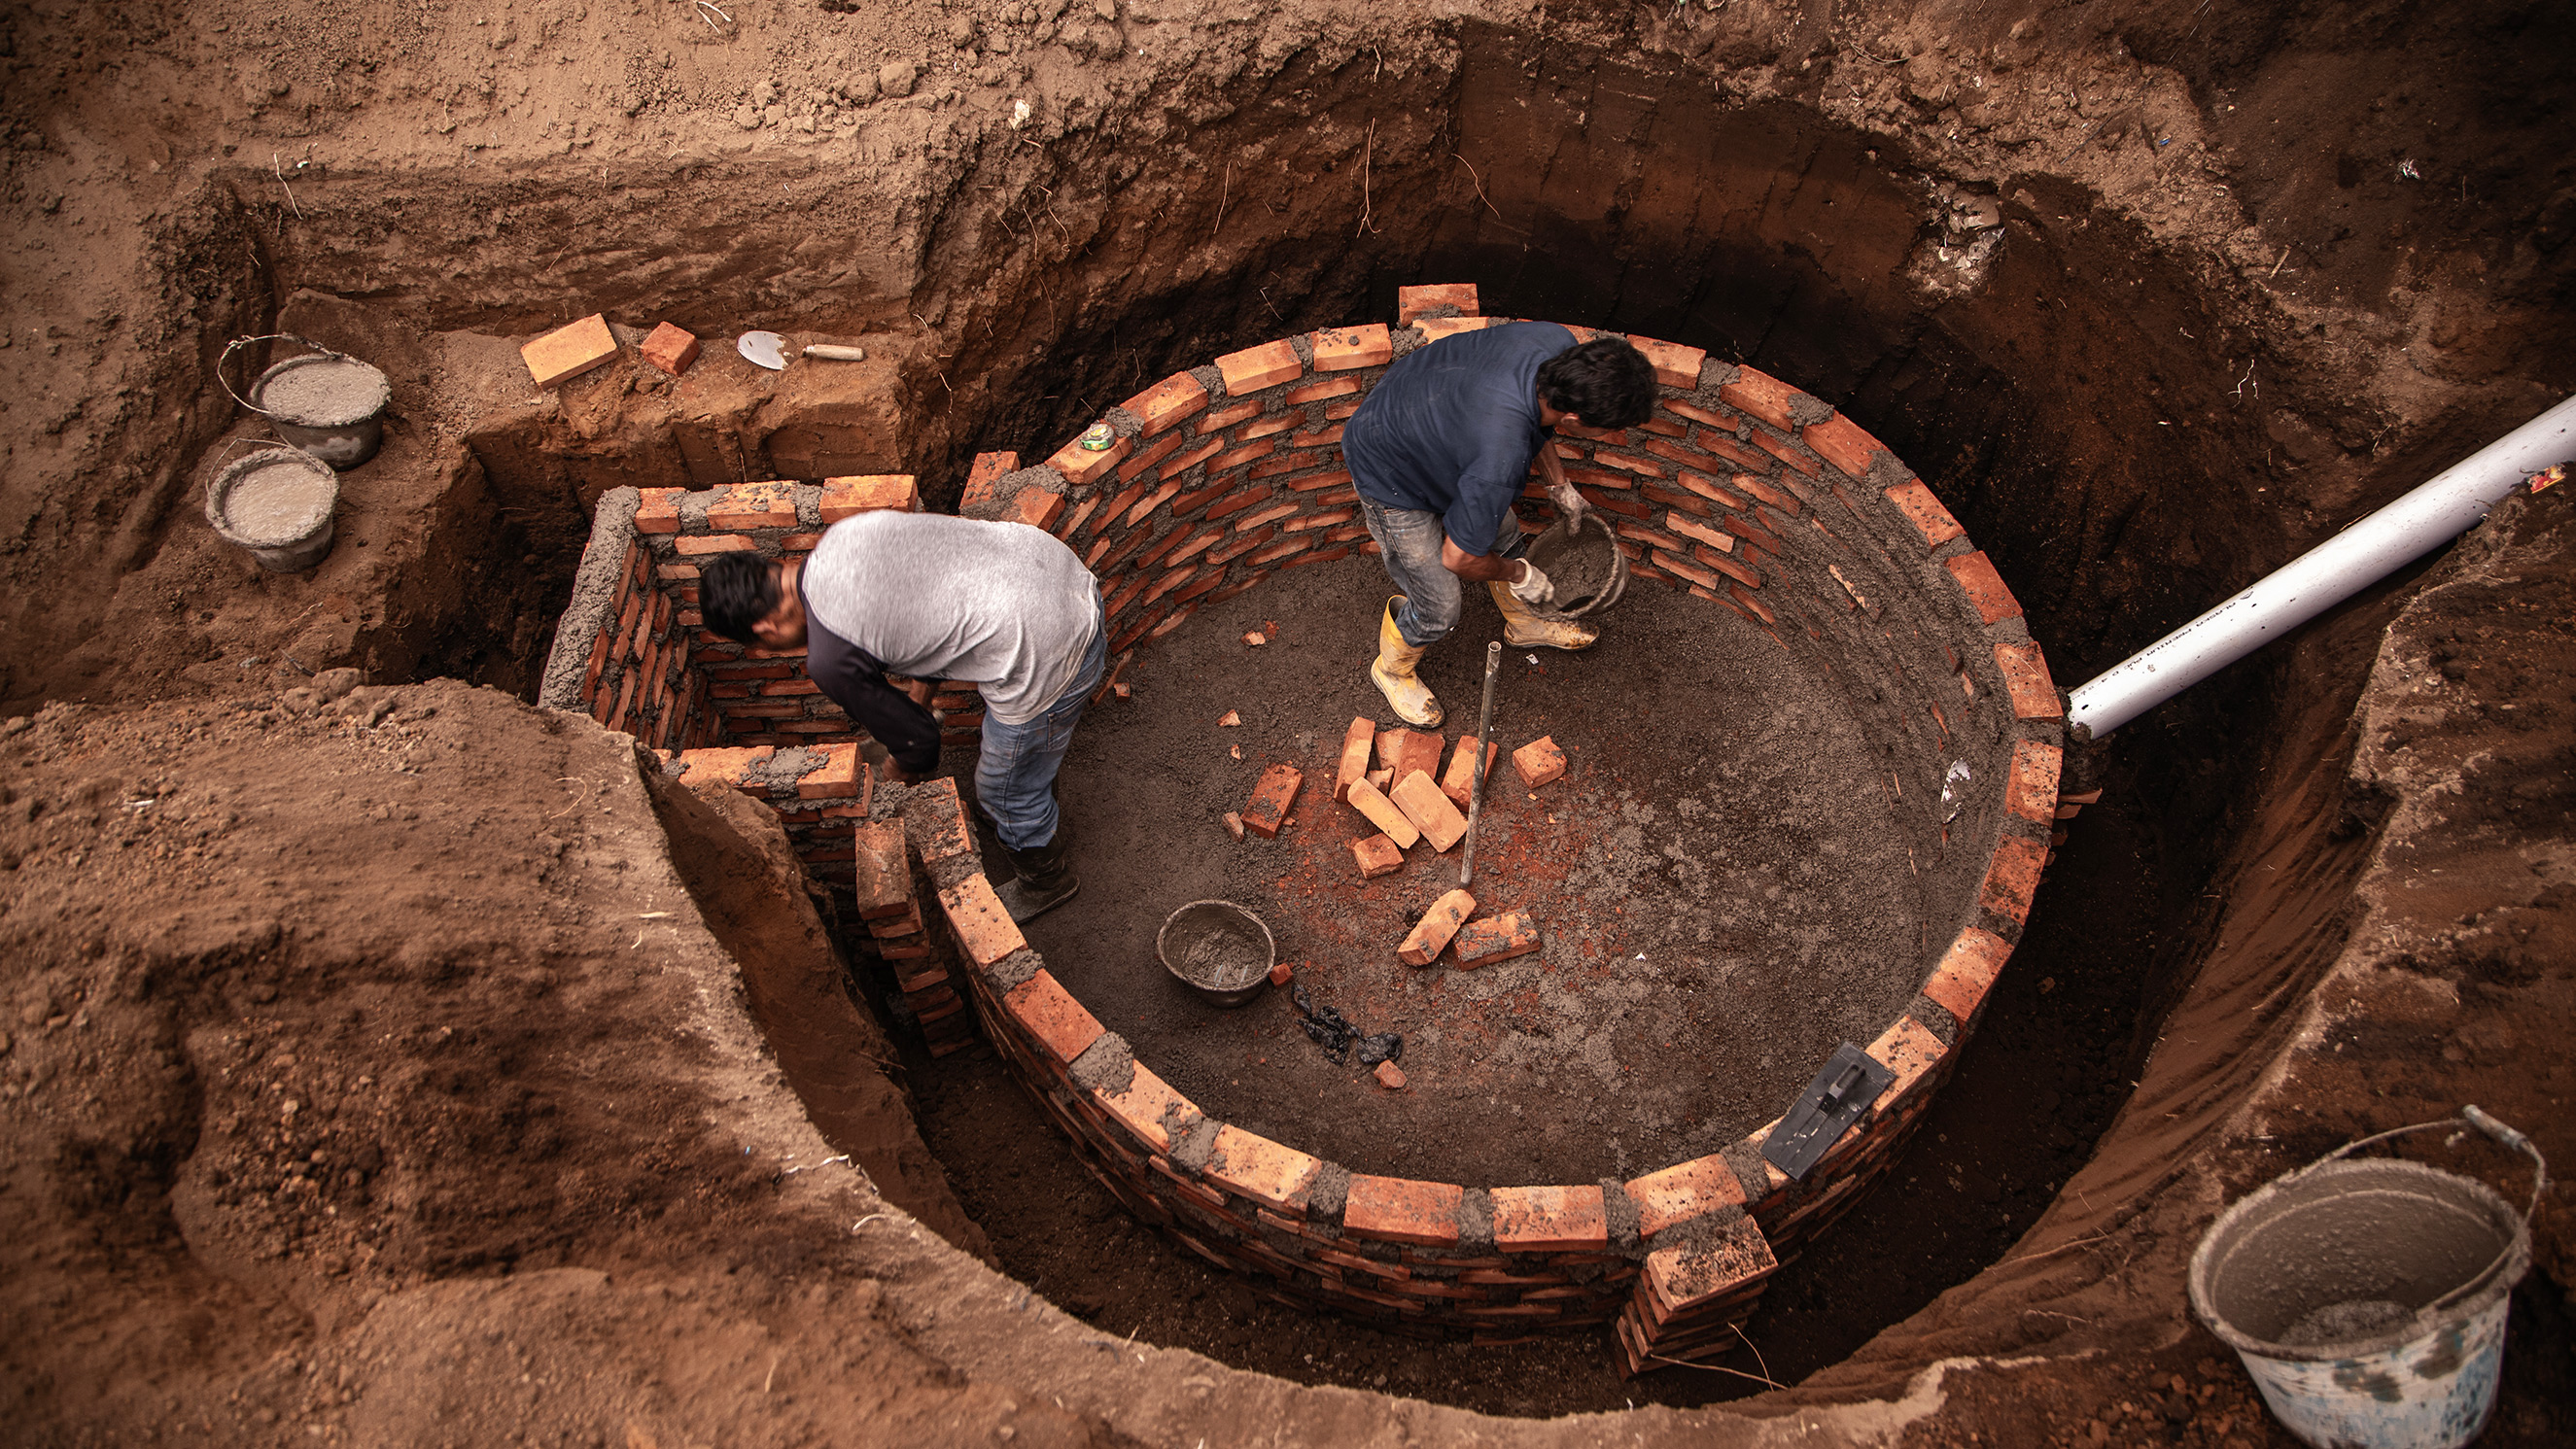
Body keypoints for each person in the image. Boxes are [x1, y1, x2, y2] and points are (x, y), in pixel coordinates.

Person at [699, 511, 1105, 922]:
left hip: (1055, 643)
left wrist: (890, 782)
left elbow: (921, 746)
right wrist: (917, 706)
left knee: (1001, 789)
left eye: (768, 647)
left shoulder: (830, 658)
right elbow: (928, 623)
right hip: (1059, 572)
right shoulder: (845, 537)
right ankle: (1027, 803)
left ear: (766, 628)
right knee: (1019, 761)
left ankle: (1046, 880)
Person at [1340, 324, 1657, 726]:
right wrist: (1520, 573)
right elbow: (1459, 557)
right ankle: (1391, 670)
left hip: (1439, 425)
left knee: (1503, 535)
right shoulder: (1498, 456)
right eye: (1609, 428)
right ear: (1574, 417)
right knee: (1440, 605)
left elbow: (1533, 426)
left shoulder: (1553, 344)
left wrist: (1560, 486)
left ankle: (1524, 624)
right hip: (1389, 466)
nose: (1609, 434)